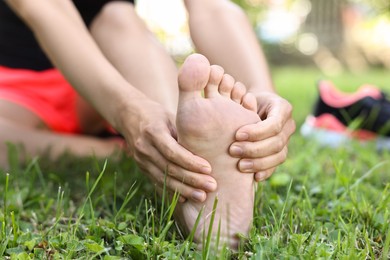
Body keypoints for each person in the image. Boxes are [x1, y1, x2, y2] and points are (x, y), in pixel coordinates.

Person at [0, 0, 295, 248]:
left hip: (99, 86)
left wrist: (261, 94)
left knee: (117, 15)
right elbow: (44, 8)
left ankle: (183, 173)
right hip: (14, 90)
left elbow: (212, 7)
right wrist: (131, 112)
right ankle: (123, 152)